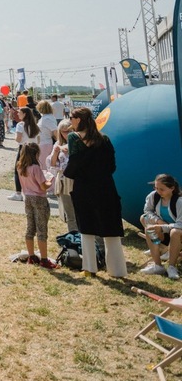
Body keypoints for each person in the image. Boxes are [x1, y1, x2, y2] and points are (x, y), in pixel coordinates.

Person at [64, 107, 128, 278]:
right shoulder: (104, 140)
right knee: (111, 228)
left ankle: (90, 268)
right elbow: (112, 166)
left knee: (86, 228)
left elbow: (72, 167)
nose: (70, 120)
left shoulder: (73, 138)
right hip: (106, 187)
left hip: (84, 188)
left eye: (71, 117)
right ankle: (117, 270)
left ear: (78, 120)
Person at [17, 142, 58, 268]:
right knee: (41, 229)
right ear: (35, 153)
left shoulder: (20, 167)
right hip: (39, 198)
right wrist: (50, 180)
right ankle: (44, 259)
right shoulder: (35, 168)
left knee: (30, 227)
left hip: (27, 198)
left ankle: (31, 256)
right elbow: (43, 186)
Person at [141, 174, 182, 278]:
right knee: (147, 224)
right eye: (155, 188)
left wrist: (163, 227)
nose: (158, 191)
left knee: (175, 232)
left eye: (162, 189)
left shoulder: (179, 202)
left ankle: (172, 267)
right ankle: (158, 265)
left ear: (172, 188)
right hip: (164, 231)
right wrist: (158, 221)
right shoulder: (153, 196)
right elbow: (147, 211)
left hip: (177, 232)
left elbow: (180, 224)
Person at [50, 120, 78, 232]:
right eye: (63, 132)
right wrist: (56, 152)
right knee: (69, 212)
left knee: (80, 211)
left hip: (76, 180)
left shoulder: (78, 143)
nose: (66, 134)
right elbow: (52, 164)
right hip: (63, 180)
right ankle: (73, 237)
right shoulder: (57, 144)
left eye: (68, 131)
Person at [10, 106, 38, 201]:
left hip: (23, 148)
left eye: (19, 113)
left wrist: (15, 137)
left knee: (18, 170)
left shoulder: (20, 125)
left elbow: (18, 139)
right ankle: (34, 191)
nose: (17, 114)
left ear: (24, 114)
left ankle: (18, 193)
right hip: (34, 148)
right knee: (33, 170)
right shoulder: (34, 125)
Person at [34, 100, 57, 172]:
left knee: (44, 166)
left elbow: (55, 131)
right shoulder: (48, 117)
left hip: (44, 144)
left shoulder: (46, 119)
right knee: (44, 165)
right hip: (44, 142)